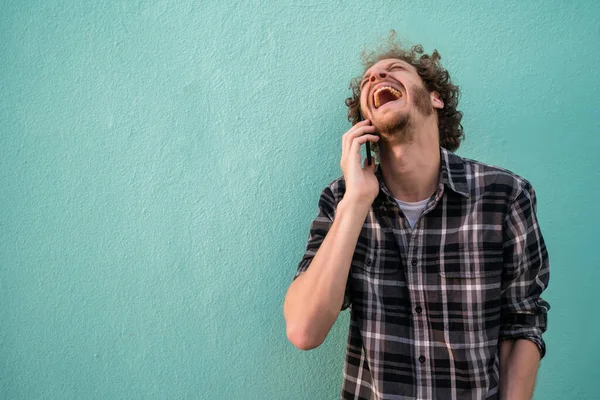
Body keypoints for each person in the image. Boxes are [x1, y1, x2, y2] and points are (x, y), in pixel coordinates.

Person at [283, 32, 550, 400]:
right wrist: (357, 200)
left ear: (435, 97)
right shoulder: (341, 200)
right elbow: (303, 330)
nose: (376, 77)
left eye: (394, 70)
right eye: (368, 80)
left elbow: (522, 321)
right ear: (365, 121)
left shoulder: (505, 195)